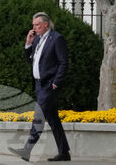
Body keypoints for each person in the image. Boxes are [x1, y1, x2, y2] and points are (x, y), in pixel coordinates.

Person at [8, 12, 71, 162]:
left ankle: (27, 150)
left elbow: (64, 63)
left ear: (45, 24)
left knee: (39, 116)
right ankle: (64, 152)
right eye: (33, 25)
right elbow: (31, 61)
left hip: (49, 85)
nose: (34, 28)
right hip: (39, 85)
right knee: (53, 119)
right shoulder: (37, 39)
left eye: (37, 25)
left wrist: (56, 82)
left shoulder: (56, 39)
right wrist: (28, 44)